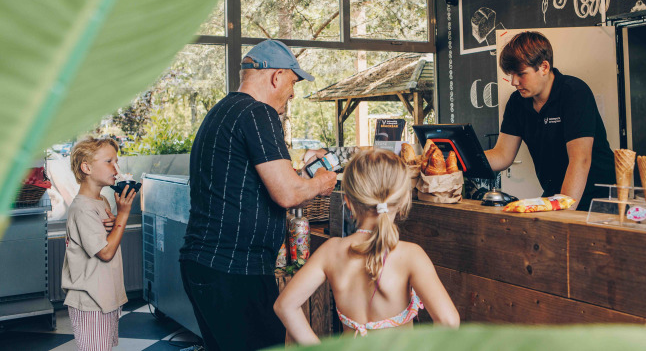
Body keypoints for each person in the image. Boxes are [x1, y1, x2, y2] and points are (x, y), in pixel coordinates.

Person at [179, 39, 338, 351]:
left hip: (206, 265)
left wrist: (305, 172)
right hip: (235, 270)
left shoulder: (223, 111)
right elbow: (288, 194)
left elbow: (261, 183)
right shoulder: (258, 113)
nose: (292, 94)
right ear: (276, 77)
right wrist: (321, 181)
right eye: (293, 83)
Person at [274, 149, 459, 344]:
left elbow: (285, 306)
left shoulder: (331, 251)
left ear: (348, 202)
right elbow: (449, 321)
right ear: (404, 200)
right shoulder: (411, 255)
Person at [484, 31, 615, 211]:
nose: (514, 82)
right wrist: (460, 160)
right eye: (511, 74)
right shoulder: (517, 103)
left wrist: (562, 215)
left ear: (544, 67)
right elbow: (502, 155)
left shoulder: (574, 93)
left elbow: (580, 159)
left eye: (521, 74)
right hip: (555, 194)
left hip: (597, 199)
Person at [62, 137, 137, 351]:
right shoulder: (82, 208)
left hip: (103, 297)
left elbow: (105, 239)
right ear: (86, 167)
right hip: (91, 301)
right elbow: (105, 253)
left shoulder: (100, 201)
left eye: (117, 161)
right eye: (108, 161)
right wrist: (123, 215)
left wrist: (115, 224)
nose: (116, 168)